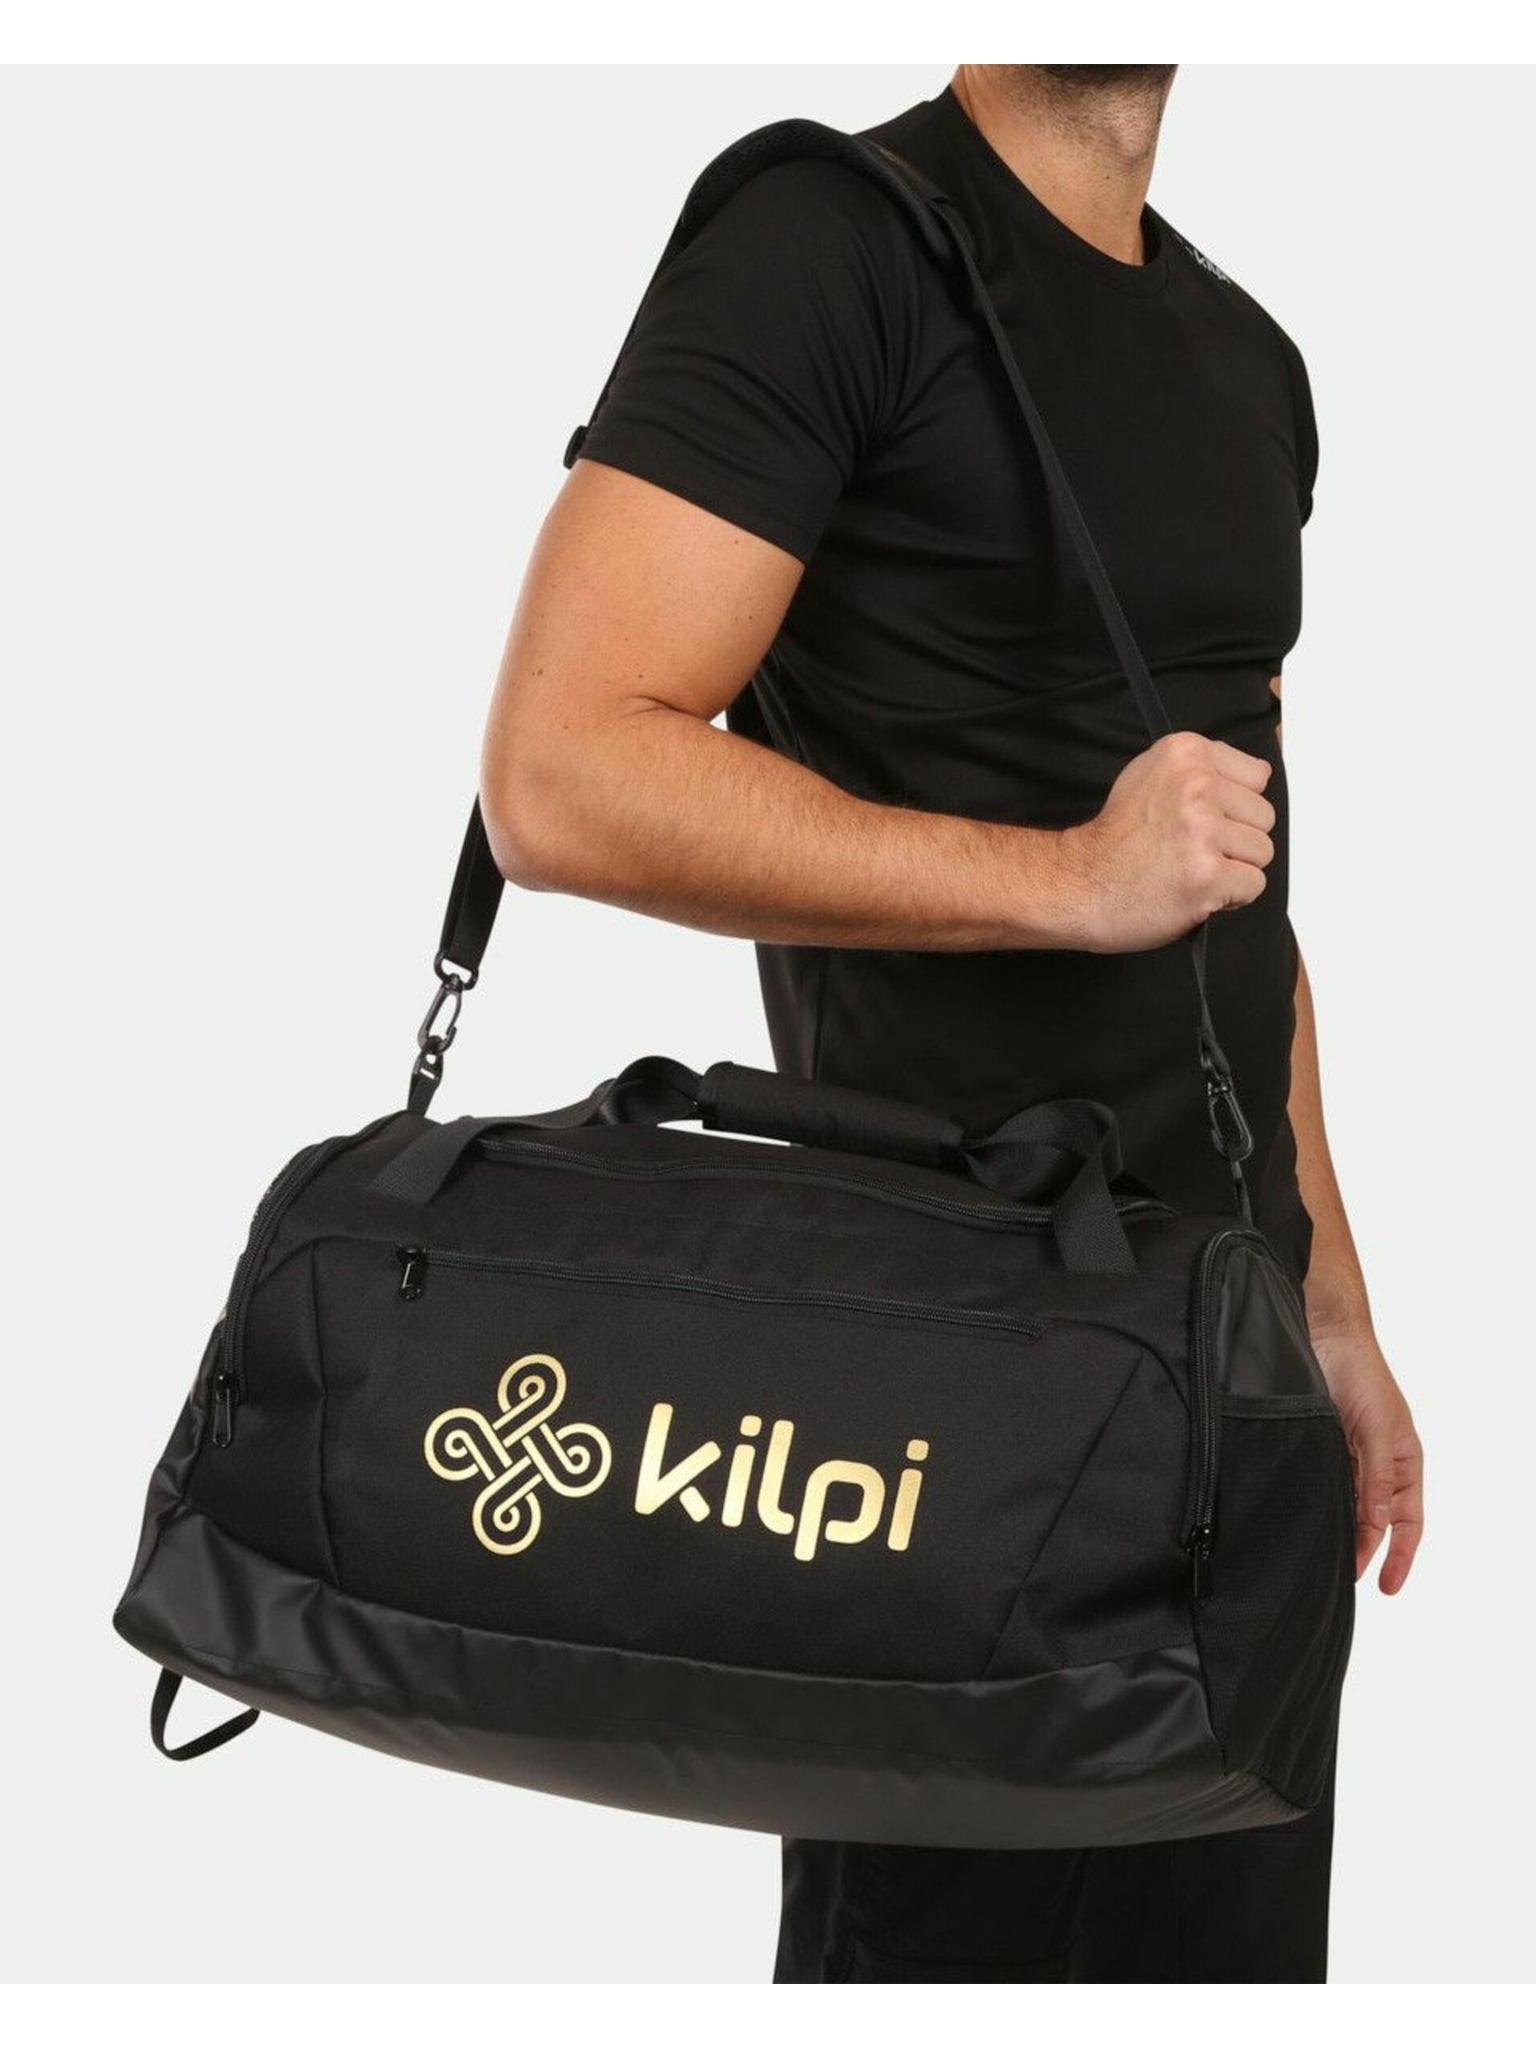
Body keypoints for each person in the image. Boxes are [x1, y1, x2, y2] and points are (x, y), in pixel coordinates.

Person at [477, 63, 1423, 1984]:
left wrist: (1330, 1303)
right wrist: (1068, 877)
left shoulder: (1250, 358)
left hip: (1227, 1392)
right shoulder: (826, 244)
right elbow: (560, 776)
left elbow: (1242, 873)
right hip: (947, 1414)